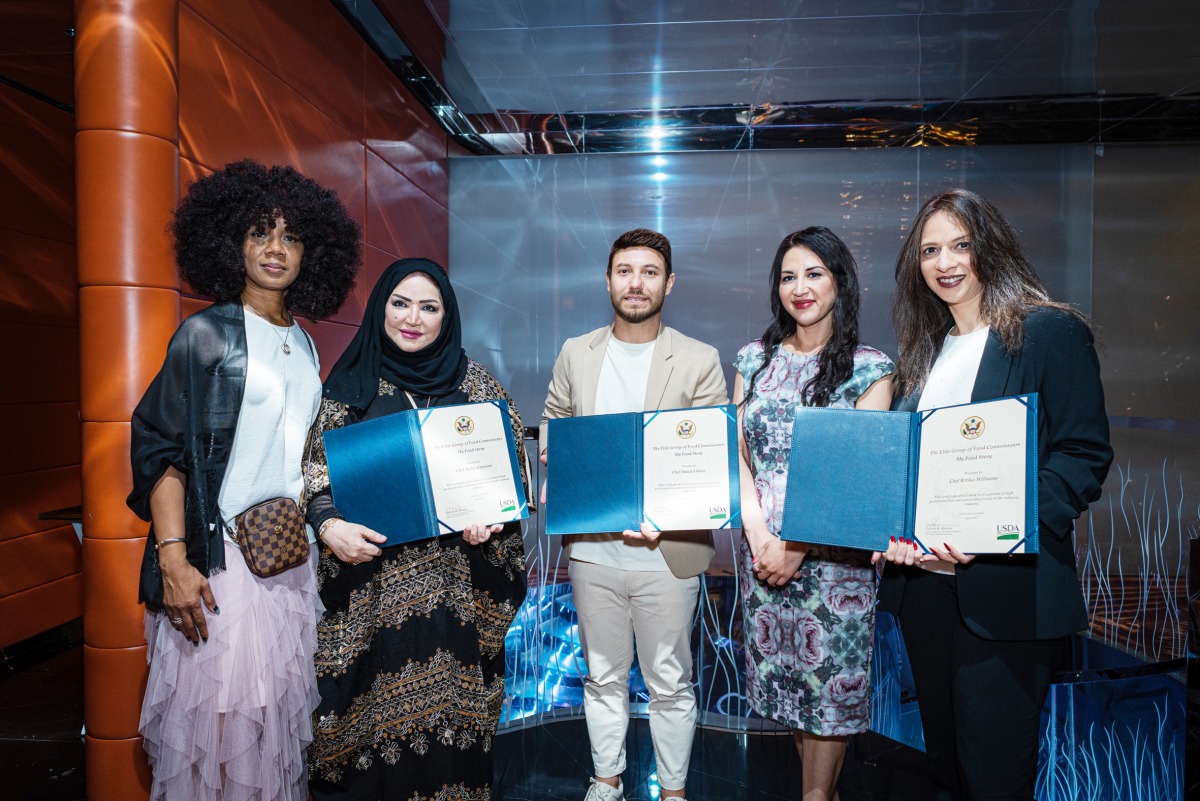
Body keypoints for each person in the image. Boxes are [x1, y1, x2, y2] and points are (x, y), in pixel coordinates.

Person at [127, 159, 361, 801]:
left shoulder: (307, 342)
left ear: (311, 251)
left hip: (288, 565)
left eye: (290, 236)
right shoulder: (206, 335)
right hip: (220, 568)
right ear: (233, 242)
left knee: (275, 736)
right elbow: (160, 451)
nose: (275, 249)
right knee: (222, 739)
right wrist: (175, 561)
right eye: (260, 232)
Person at [875, 188, 1113, 801]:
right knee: (949, 769)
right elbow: (911, 472)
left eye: (961, 244)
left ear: (992, 246)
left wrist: (1002, 531)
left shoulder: (1048, 332)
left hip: (1008, 595)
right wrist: (889, 533)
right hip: (927, 592)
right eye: (930, 250)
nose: (946, 261)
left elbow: (1083, 456)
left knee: (995, 774)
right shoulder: (925, 355)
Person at [301, 257, 529, 800]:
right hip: (366, 602)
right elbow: (313, 472)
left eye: (429, 307)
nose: (412, 318)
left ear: (447, 317)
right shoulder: (349, 384)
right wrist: (328, 523)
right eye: (400, 303)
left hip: (455, 607)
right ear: (381, 306)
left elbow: (511, 477)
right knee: (358, 746)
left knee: (449, 748)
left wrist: (495, 521)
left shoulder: (478, 389)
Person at [540, 228, 728, 801]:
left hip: (667, 552)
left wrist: (665, 508)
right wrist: (559, 455)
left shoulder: (699, 359)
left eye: (649, 272)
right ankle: (606, 780)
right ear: (608, 279)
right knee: (601, 677)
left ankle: (672, 791)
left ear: (668, 283)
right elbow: (553, 420)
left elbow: (708, 456)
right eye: (625, 270)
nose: (636, 282)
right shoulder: (577, 351)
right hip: (593, 548)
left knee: (670, 681)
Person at [733, 227, 893, 801]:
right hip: (762, 558)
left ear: (840, 282)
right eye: (787, 276)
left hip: (833, 565)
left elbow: (857, 476)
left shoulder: (870, 369)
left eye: (814, 273)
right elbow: (740, 459)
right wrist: (758, 536)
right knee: (792, 697)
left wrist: (795, 546)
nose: (799, 287)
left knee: (828, 698)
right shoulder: (753, 360)